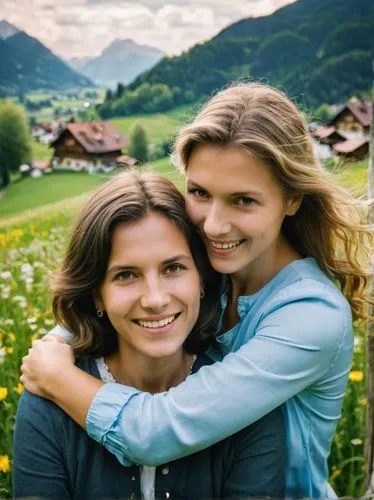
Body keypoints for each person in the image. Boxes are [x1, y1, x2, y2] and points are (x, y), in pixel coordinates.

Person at [20, 82, 371, 499]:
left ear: (292, 199)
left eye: (243, 201)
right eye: (200, 193)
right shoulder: (216, 267)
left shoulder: (311, 315)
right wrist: (60, 338)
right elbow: (129, 299)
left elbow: (155, 435)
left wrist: (58, 376)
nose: (213, 225)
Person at [14, 171, 286, 499]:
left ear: (201, 278)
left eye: (173, 268)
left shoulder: (246, 400)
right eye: (126, 275)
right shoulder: (49, 403)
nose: (155, 299)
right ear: (97, 294)